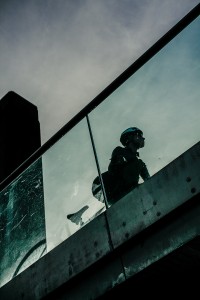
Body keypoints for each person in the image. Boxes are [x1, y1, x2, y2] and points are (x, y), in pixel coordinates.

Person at [105, 126, 150, 205]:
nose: (143, 138)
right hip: (120, 196)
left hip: (132, 194)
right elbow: (114, 171)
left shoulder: (138, 162)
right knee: (138, 163)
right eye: (139, 135)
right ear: (130, 137)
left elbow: (148, 181)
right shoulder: (119, 151)